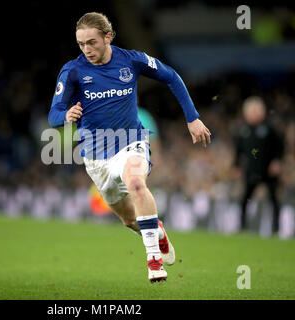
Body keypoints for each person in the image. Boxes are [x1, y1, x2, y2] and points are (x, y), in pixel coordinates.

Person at [48, 12, 211, 282]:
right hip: (95, 156)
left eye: (92, 42)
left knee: (136, 183)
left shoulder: (131, 60)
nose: (87, 49)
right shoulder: (73, 71)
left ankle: (153, 261)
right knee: (129, 220)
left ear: (108, 37)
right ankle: (156, 230)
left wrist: (192, 117)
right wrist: (65, 117)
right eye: (81, 44)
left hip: (131, 142)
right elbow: (54, 114)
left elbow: (171, 76)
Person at [232, 96, 284, 234]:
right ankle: (242, 227)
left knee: (274, 200)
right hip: (251, 170)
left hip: (268, 170)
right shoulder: (243, 130)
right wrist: (236, 166)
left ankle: (277, 229)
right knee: (244, 200)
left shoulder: (270, 129)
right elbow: (238, 150)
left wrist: (277, 161)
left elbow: (280, 146)